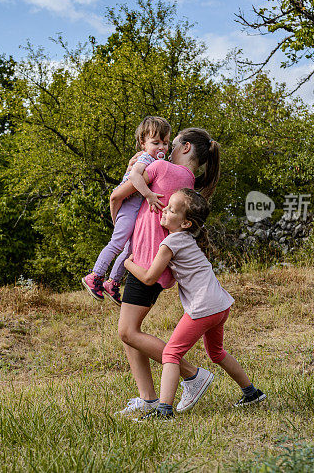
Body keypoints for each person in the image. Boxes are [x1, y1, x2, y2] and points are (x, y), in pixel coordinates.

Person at [125, 188, 266, 420]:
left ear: (186, 223)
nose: (165, 211)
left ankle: (164, 410)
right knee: (217, 352)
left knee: (170, 353)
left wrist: (128, 264)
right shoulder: (187, 239)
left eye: (171, 210)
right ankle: (251, 393)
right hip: (220, 304)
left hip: (204, 308)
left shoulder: (171, 242)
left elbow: (150, 278)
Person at [112, 127, 221, 416]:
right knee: (129, 330)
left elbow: (118, 194)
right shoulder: (187, 183)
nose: (165, 150)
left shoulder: (166, 169)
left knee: (127, 331)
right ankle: (148, 397)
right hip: (153, 260)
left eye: (171, 145)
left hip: (148, 260)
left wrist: (136, 168)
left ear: (185, 148)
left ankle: (192, 374)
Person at [81, 116, 171, 301]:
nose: (161, 147)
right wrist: (148, 195)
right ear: (143, 143)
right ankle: (95, 276)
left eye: (165, 143)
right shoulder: (144, 157)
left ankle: (112, 282)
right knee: (117, 244)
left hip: (136, 211)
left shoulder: (155, 159)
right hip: (129, 206)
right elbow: (135, 178)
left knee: (130, 250)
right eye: (156, 142)